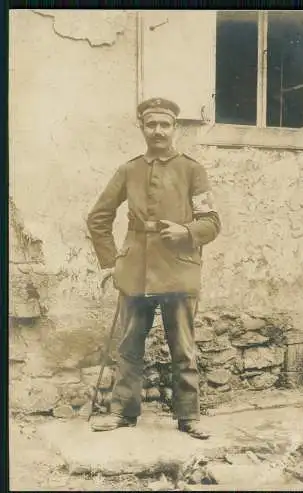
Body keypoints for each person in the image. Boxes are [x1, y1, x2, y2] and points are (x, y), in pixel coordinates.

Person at [87, 97, 221, 439]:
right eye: (151, 124)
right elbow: (98, 218)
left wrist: (187, 231)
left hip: (179, 269)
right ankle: (122, 412)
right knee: (129, 345)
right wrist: (109, 262)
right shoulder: (128, 170)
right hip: (135, 270)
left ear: (174, 128)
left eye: (165, 124)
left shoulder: (192, 170)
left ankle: (188, 417)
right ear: (142, 128)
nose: (158, 131)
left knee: (184, 347)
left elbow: (212, 223)